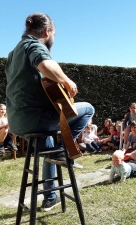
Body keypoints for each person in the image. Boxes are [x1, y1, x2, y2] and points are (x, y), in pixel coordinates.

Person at [5, 13, 94, 211]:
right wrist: (67, 80)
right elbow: (45, 65)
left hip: (18, 122)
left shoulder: (13, 54)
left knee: (50, 149)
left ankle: (49, 198)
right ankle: (67, 151)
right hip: (36, 119)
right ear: (47, 31)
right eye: (53, 33)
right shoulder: (33, 45)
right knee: (88, 108)